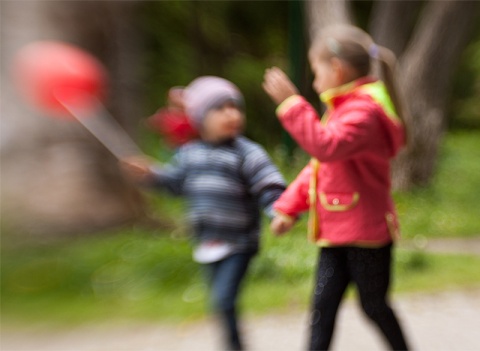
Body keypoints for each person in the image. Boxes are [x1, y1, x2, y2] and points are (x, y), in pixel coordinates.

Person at [262, 24, 410, 350]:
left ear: (336, 68)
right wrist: (289, 207)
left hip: (367, 236)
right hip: (335, 234)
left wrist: (291, 104)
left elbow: (326, 147)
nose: (314, 81)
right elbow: (321, 168)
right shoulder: (342, 109)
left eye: (315, 71)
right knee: (322, 307)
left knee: (373, 306)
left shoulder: (364, 113)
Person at [121, 76, 286, 351]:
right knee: (219, 303)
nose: (231, 114)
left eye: (235, 107)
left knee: (224, 300)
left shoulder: (247, 153)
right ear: (200, 118)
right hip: (207, 240)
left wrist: (278, 211)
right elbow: (176, 183)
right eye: (220, 109)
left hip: (239, 241)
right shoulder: (189, 154)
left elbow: (268, 184)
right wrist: (150, 174)